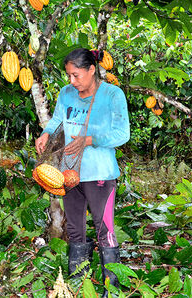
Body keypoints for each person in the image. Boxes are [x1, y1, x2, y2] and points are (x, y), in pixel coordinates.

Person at [35, 48, 130, 297]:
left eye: (76, 75)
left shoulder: (112, 95)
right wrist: (46, 133)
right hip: (70, 173)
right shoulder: (67, 94)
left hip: (100, 173)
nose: (71, 81)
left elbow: (123, 134)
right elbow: (57, 120)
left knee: (105, 229)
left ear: (91, 70)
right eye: (68, 75)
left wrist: (90, 140)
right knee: (75, 228)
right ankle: (79, 283)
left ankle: (113, 289)